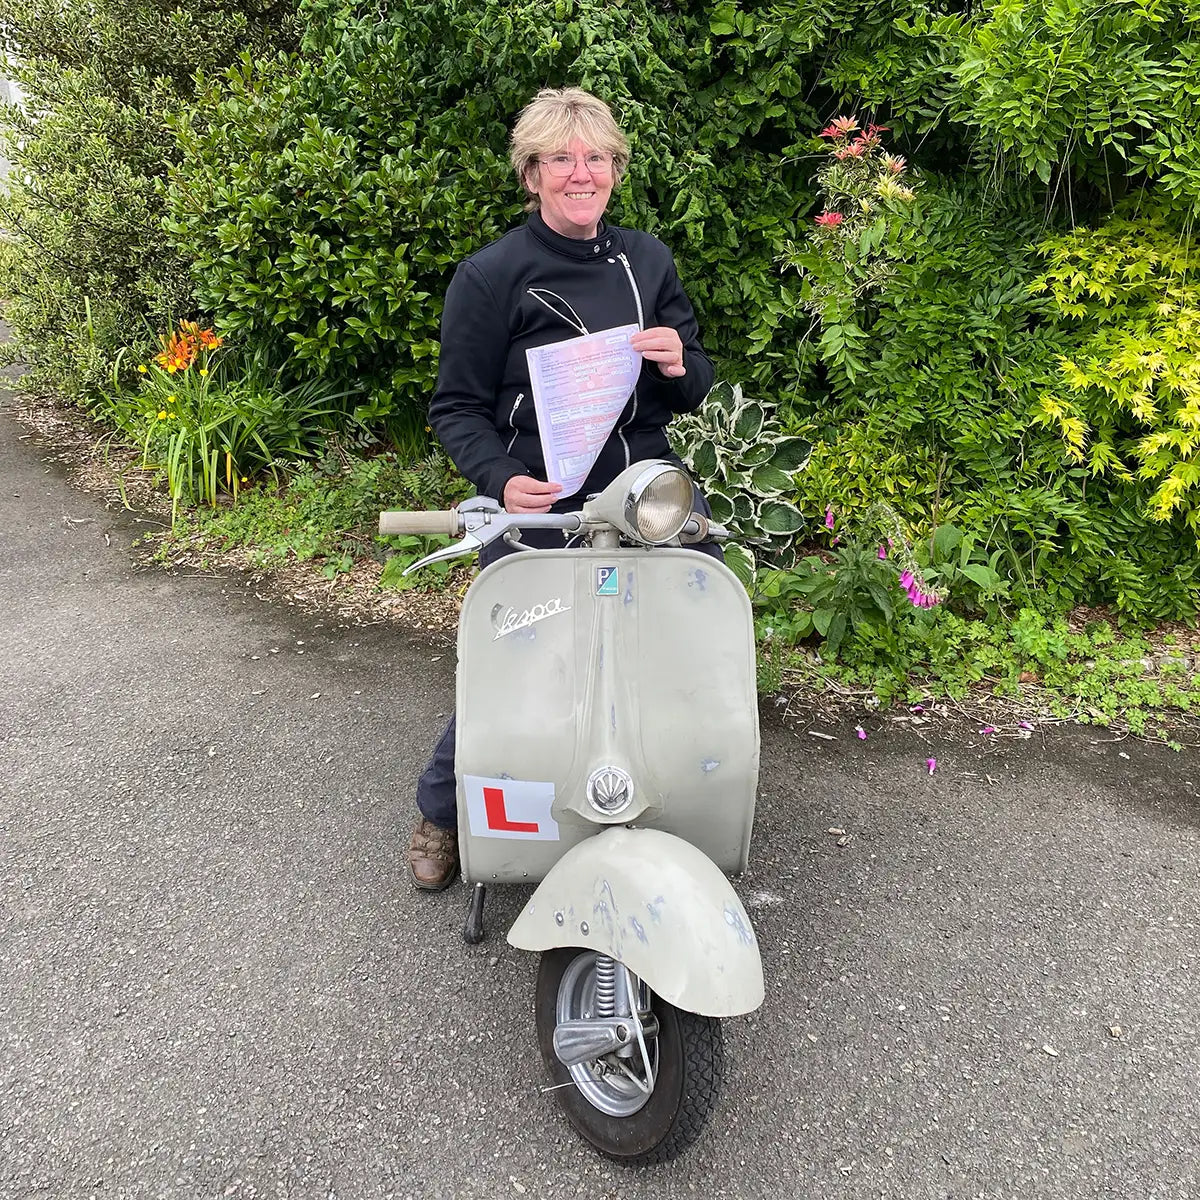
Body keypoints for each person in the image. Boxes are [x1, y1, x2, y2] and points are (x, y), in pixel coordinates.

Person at [407, 86, 718, 890]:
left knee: (682, 647)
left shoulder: (647, 260)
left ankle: (672, 797)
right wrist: (503, 479)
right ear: (532, 173)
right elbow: (456, 407)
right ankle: (443, 812)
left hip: (645, 501)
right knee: (521, 668)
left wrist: (681, 364)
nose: (582, 174)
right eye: (561, 159)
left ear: (615, 168)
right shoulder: (491, 276)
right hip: (542, 508)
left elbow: (692, 386)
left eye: (597, 158)